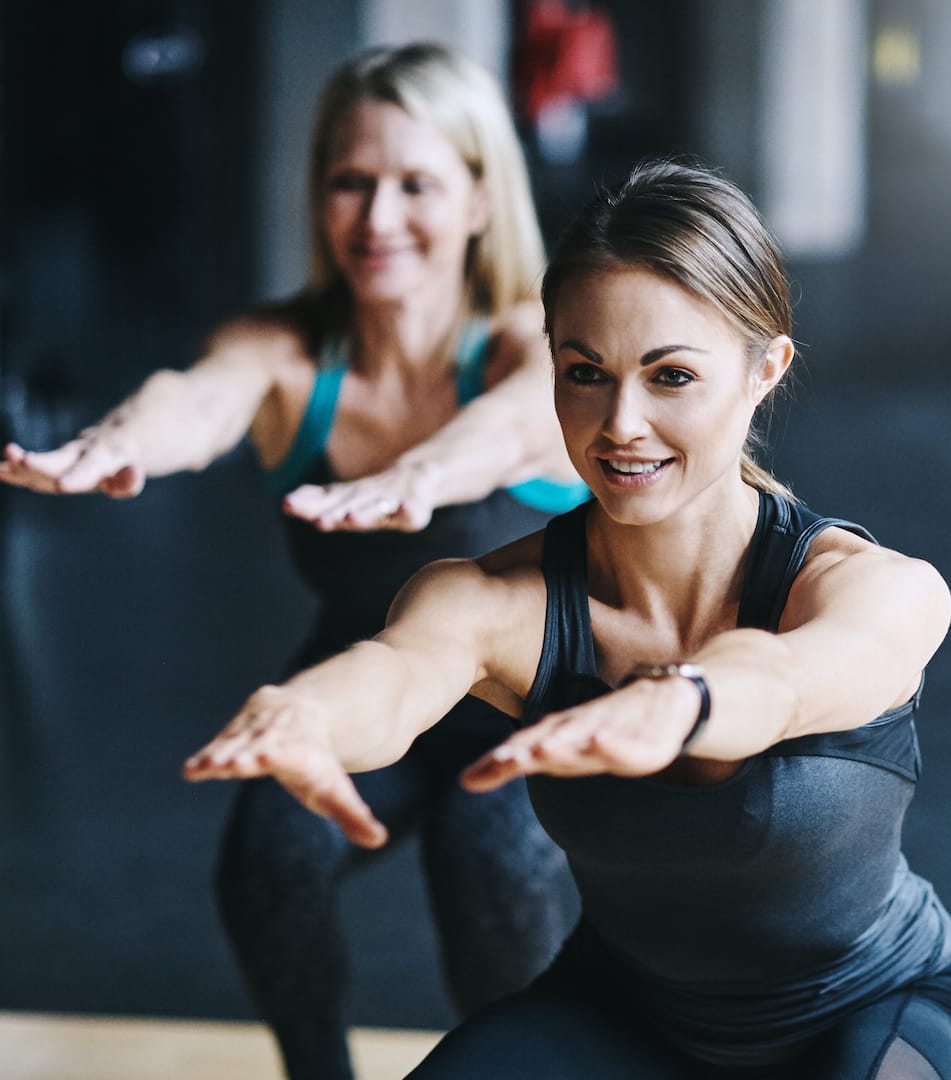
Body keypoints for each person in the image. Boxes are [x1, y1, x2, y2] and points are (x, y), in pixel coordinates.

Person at [184, 159, 951, 1080]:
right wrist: (310, 715)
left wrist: (681, 700)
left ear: (763, 370)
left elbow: (787, 682)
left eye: (671, 376)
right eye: (586, 372)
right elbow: (399, 670)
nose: (620, 422)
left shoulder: (873, 588)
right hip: (625, 1018)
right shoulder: (501, 597)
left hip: (871, 1011)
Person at [2, 43, 584, 1080]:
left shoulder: (524, 342)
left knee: (485, 869)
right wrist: (123, 441)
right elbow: (203, 394)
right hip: (365, 679)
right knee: (267, 861)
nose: (378, 218)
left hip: (527, 694)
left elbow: (509, 426)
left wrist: (426, 471)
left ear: (482, 198)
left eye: (416, 184)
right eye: (350, 182)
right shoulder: (286, 348)